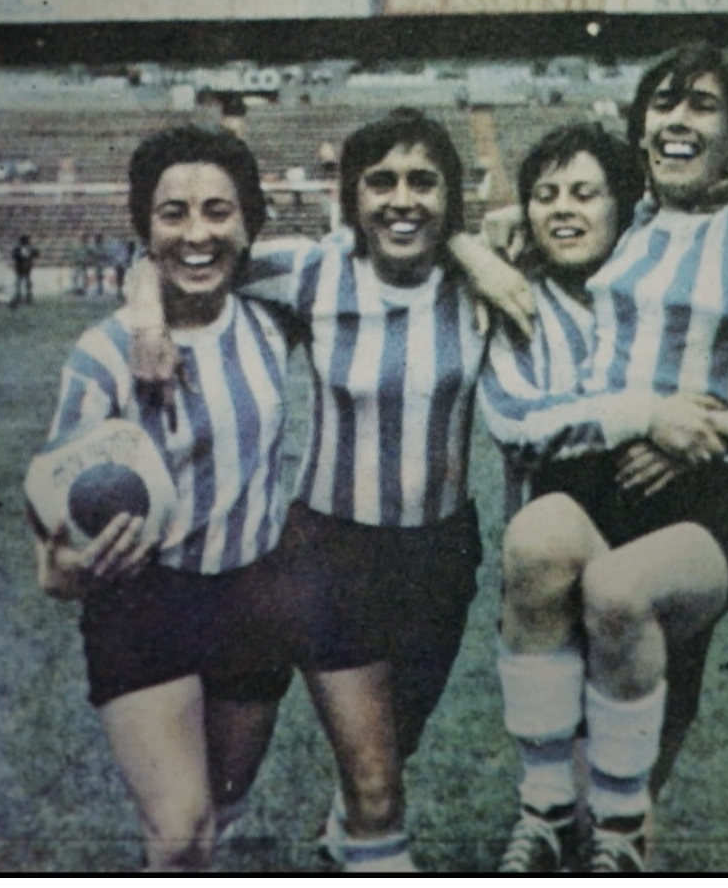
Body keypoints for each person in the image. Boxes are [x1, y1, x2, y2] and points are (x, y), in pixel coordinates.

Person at [473, 0, 728, 871]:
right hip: (597, 482)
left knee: (625, 598)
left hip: (694, 501)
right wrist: (484, 241)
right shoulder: (625, 226)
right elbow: (539, 213)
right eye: (663, 104)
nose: (678, 119)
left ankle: (621, 836)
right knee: (535, 540)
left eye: (704, 107)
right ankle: (546, 807)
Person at [127, 109, 512, 872]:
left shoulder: (479, 275)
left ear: (451, 198)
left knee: (394, 748)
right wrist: (146, 318)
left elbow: (590, 219)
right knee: (373, 778)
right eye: (382, 182)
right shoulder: (315, 269)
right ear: (352, 197)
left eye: (423, 182)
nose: (402, 200)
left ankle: (347, 843)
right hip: (330, 551)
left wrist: (477, 247)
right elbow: (185, 252)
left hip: (441, 552)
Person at [31, 127, 295, 871]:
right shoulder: (103, 352)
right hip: (145, 602)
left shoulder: (275, 316)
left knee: (222, 815)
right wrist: (58, 565)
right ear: (145, 228)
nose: (197, 232)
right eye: (172, 213)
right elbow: (54, 500)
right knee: (179, 832)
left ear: (248, 223)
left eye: (218, 210)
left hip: (252, 595)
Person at [11, 234, 39, 307]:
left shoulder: (28, 248)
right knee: (20, 284)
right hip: (21, 268)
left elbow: (36, 253)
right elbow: (14, 255)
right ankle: (19, 297)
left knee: (27, 284)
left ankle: (28, 298)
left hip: (26, 269)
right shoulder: (19, 249)